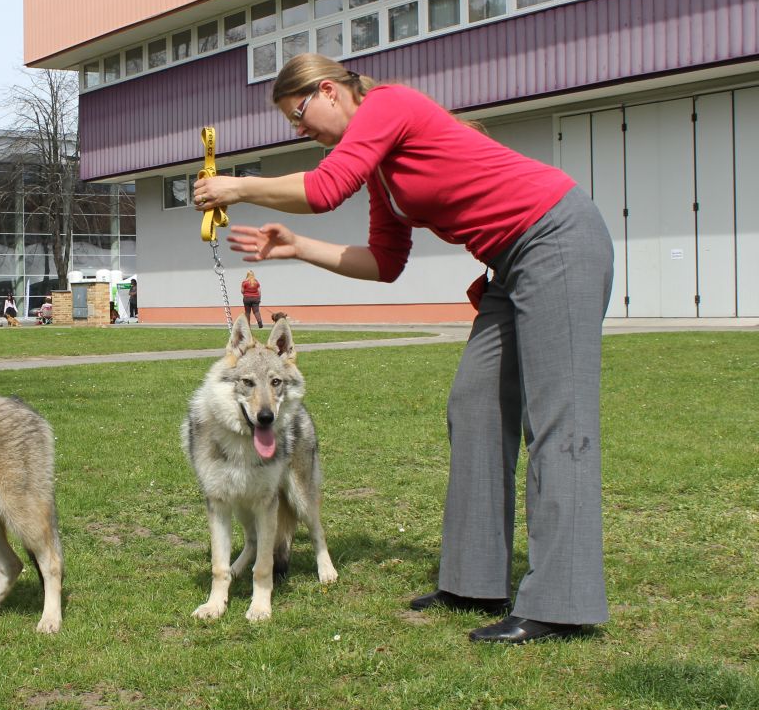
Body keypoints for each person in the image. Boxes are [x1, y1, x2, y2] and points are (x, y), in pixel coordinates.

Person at [193, 53, 613, 645]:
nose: (301, 130)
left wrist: (237, 185)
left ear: (330, 91)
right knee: (474, 406)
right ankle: (473, 580)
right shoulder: (383, 177)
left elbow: (325, 186)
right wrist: (295, 247)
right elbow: (386, 264)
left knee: (558, 422)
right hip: (509, 265)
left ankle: (561, 603)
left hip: (557, 239)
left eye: (299, 114)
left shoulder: (389, 104)